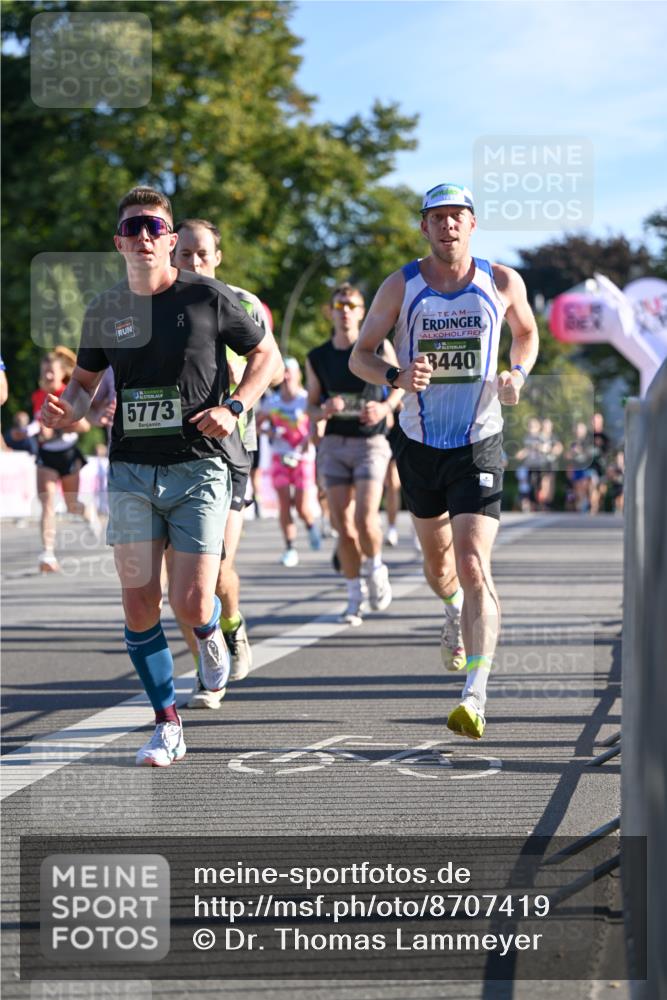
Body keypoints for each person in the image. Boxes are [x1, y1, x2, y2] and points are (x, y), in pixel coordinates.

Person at [41, 187, 280, 766]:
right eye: (134, 228)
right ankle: (167, 723)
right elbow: (86, 382)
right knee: (139, 603)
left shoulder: (208, 297)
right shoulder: (104, 309)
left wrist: (237, 406)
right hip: (129, 471)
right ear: (119, 241)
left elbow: (267, 357)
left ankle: (208, 634)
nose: (144, 236)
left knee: (194, 599)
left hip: (199, 466)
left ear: (171, 240)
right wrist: (67, 409)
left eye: (155, 227)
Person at [350, 182, 539, 740]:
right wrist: (395, 376)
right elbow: (362, 354)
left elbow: (526, 333)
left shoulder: (501, 281)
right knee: (440, 569)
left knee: (475, 563)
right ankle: (452, 606)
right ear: (424, 228)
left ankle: (475, 695)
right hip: (420, 442)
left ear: (472, 225)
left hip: (479, 440)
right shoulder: (400, 285)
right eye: (438, 218)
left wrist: (517, 374)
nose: (448, 226)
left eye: (458, 216)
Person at [171, 217, 281, 708]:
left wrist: (237, 397)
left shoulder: (243, 302)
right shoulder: (154, 302)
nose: (193, 263)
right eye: (185, 254)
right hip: (171, 449)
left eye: (202, 254)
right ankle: (205, 664)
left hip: (233, 446)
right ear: (172, 256)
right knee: (182, 577)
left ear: (217, 258)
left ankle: (231, 624)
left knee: (216, 569)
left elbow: (272, 364)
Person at [306, 282, 402, 626]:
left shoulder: (378, 347)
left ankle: (376, 567)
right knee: (342, 525)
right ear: (330, 312)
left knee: (364, 517)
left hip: (370, 443)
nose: (345, 310)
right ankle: (353, 595)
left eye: (352, 305)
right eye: (339, 305)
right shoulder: (318, 356)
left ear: (362, 312)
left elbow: (399, 388)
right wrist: (324, 408)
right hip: (334, 445)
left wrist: (383, 407)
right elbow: (310, 407)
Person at [32, 348, 100, 572]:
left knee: (72, 506)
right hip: (47, 454)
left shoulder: (68, 392)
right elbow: (39, 426)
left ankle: (87, 510)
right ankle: (47, 554)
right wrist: (33, 432)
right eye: (45, 372)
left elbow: (84, 426)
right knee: (48, 503)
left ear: (62, 374)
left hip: (68, 452)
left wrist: (62, 422)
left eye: (52, 371)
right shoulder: (37, 396)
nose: (48, 376)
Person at [258, 357, 320, 566]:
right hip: (279, 456)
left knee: (302, 507)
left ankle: (311, 526)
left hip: (303, 458)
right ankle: (290, 547)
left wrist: (308, 441)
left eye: (289, 373)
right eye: (283, 373)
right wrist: (269, 430)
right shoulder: (272, 402)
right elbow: (257, 426)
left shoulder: (305, 400)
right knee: (284, 504)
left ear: (298, 376)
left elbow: (318, 425)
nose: (285, 377)